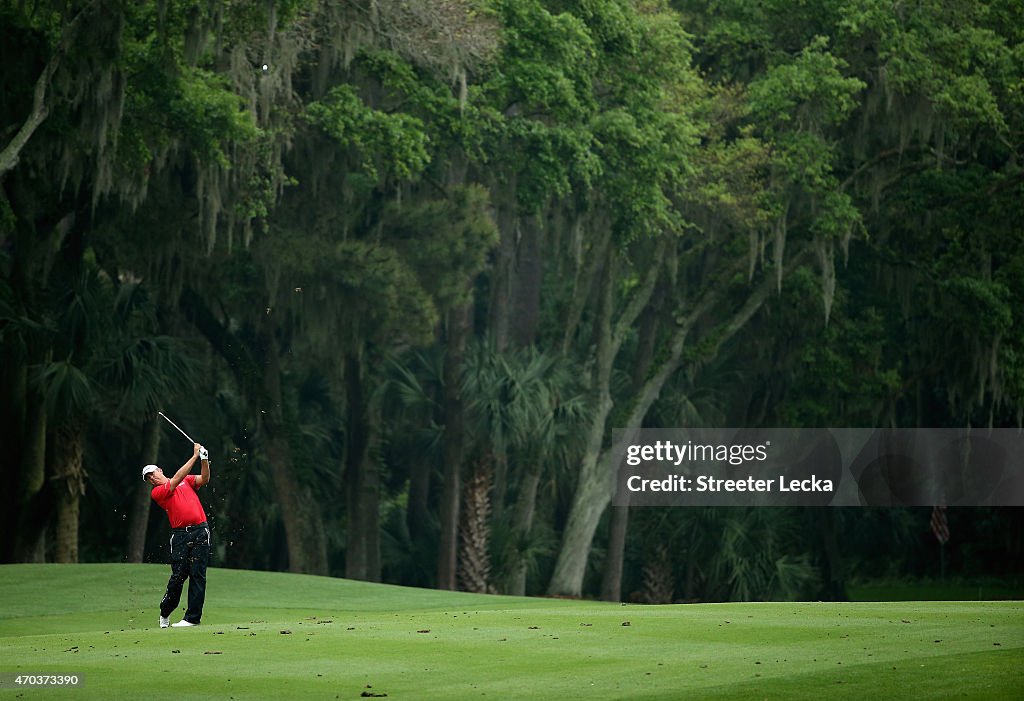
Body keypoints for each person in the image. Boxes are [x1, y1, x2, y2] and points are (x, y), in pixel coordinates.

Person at [141, 442, 211, 628]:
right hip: (181, 536)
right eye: (148, 478)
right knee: (179, 576)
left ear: (160, 470)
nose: (152, 478)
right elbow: (176, 478)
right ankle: (165, 611)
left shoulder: (186, 481)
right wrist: (195, 456)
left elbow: (204, 479)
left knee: (198, 575)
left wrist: (204, 460)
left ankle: (192, 619)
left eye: (153, 473)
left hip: (200, 531)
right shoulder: (158, 492)